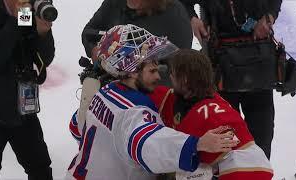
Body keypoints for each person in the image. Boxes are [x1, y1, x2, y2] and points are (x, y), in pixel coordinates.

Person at [67, 24, 239, 180]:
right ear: (132, 71)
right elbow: (147, 143)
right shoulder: (133, 112)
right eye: (152, 70)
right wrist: (196, 144)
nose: (158, 77)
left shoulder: (105, 92)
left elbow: (76, 127)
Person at [179, 0, 282, 159]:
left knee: (262, 135)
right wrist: (193, 19)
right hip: (221, 66)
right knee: (225, 137)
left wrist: (269, 17)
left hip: (258, 63)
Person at [149, 49, 273, 180]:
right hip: (260, 166)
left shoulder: (197, 117)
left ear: (184, 80)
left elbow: (172, 151)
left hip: (238, 173)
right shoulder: (215, 99)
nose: (170, 77)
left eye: (172, 73)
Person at [0, 0, 55, 179]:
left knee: (40, 169)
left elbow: (43, 59)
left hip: (23, 110)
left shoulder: (26, 11)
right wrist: (16, 20)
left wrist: (43, 33)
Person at [81, 0, 193, 63]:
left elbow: (183, 61)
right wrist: (94, 50)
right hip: (111, 86)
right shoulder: (114, 3)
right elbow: (89, 32)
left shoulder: (174, 12)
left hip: (155, 90)